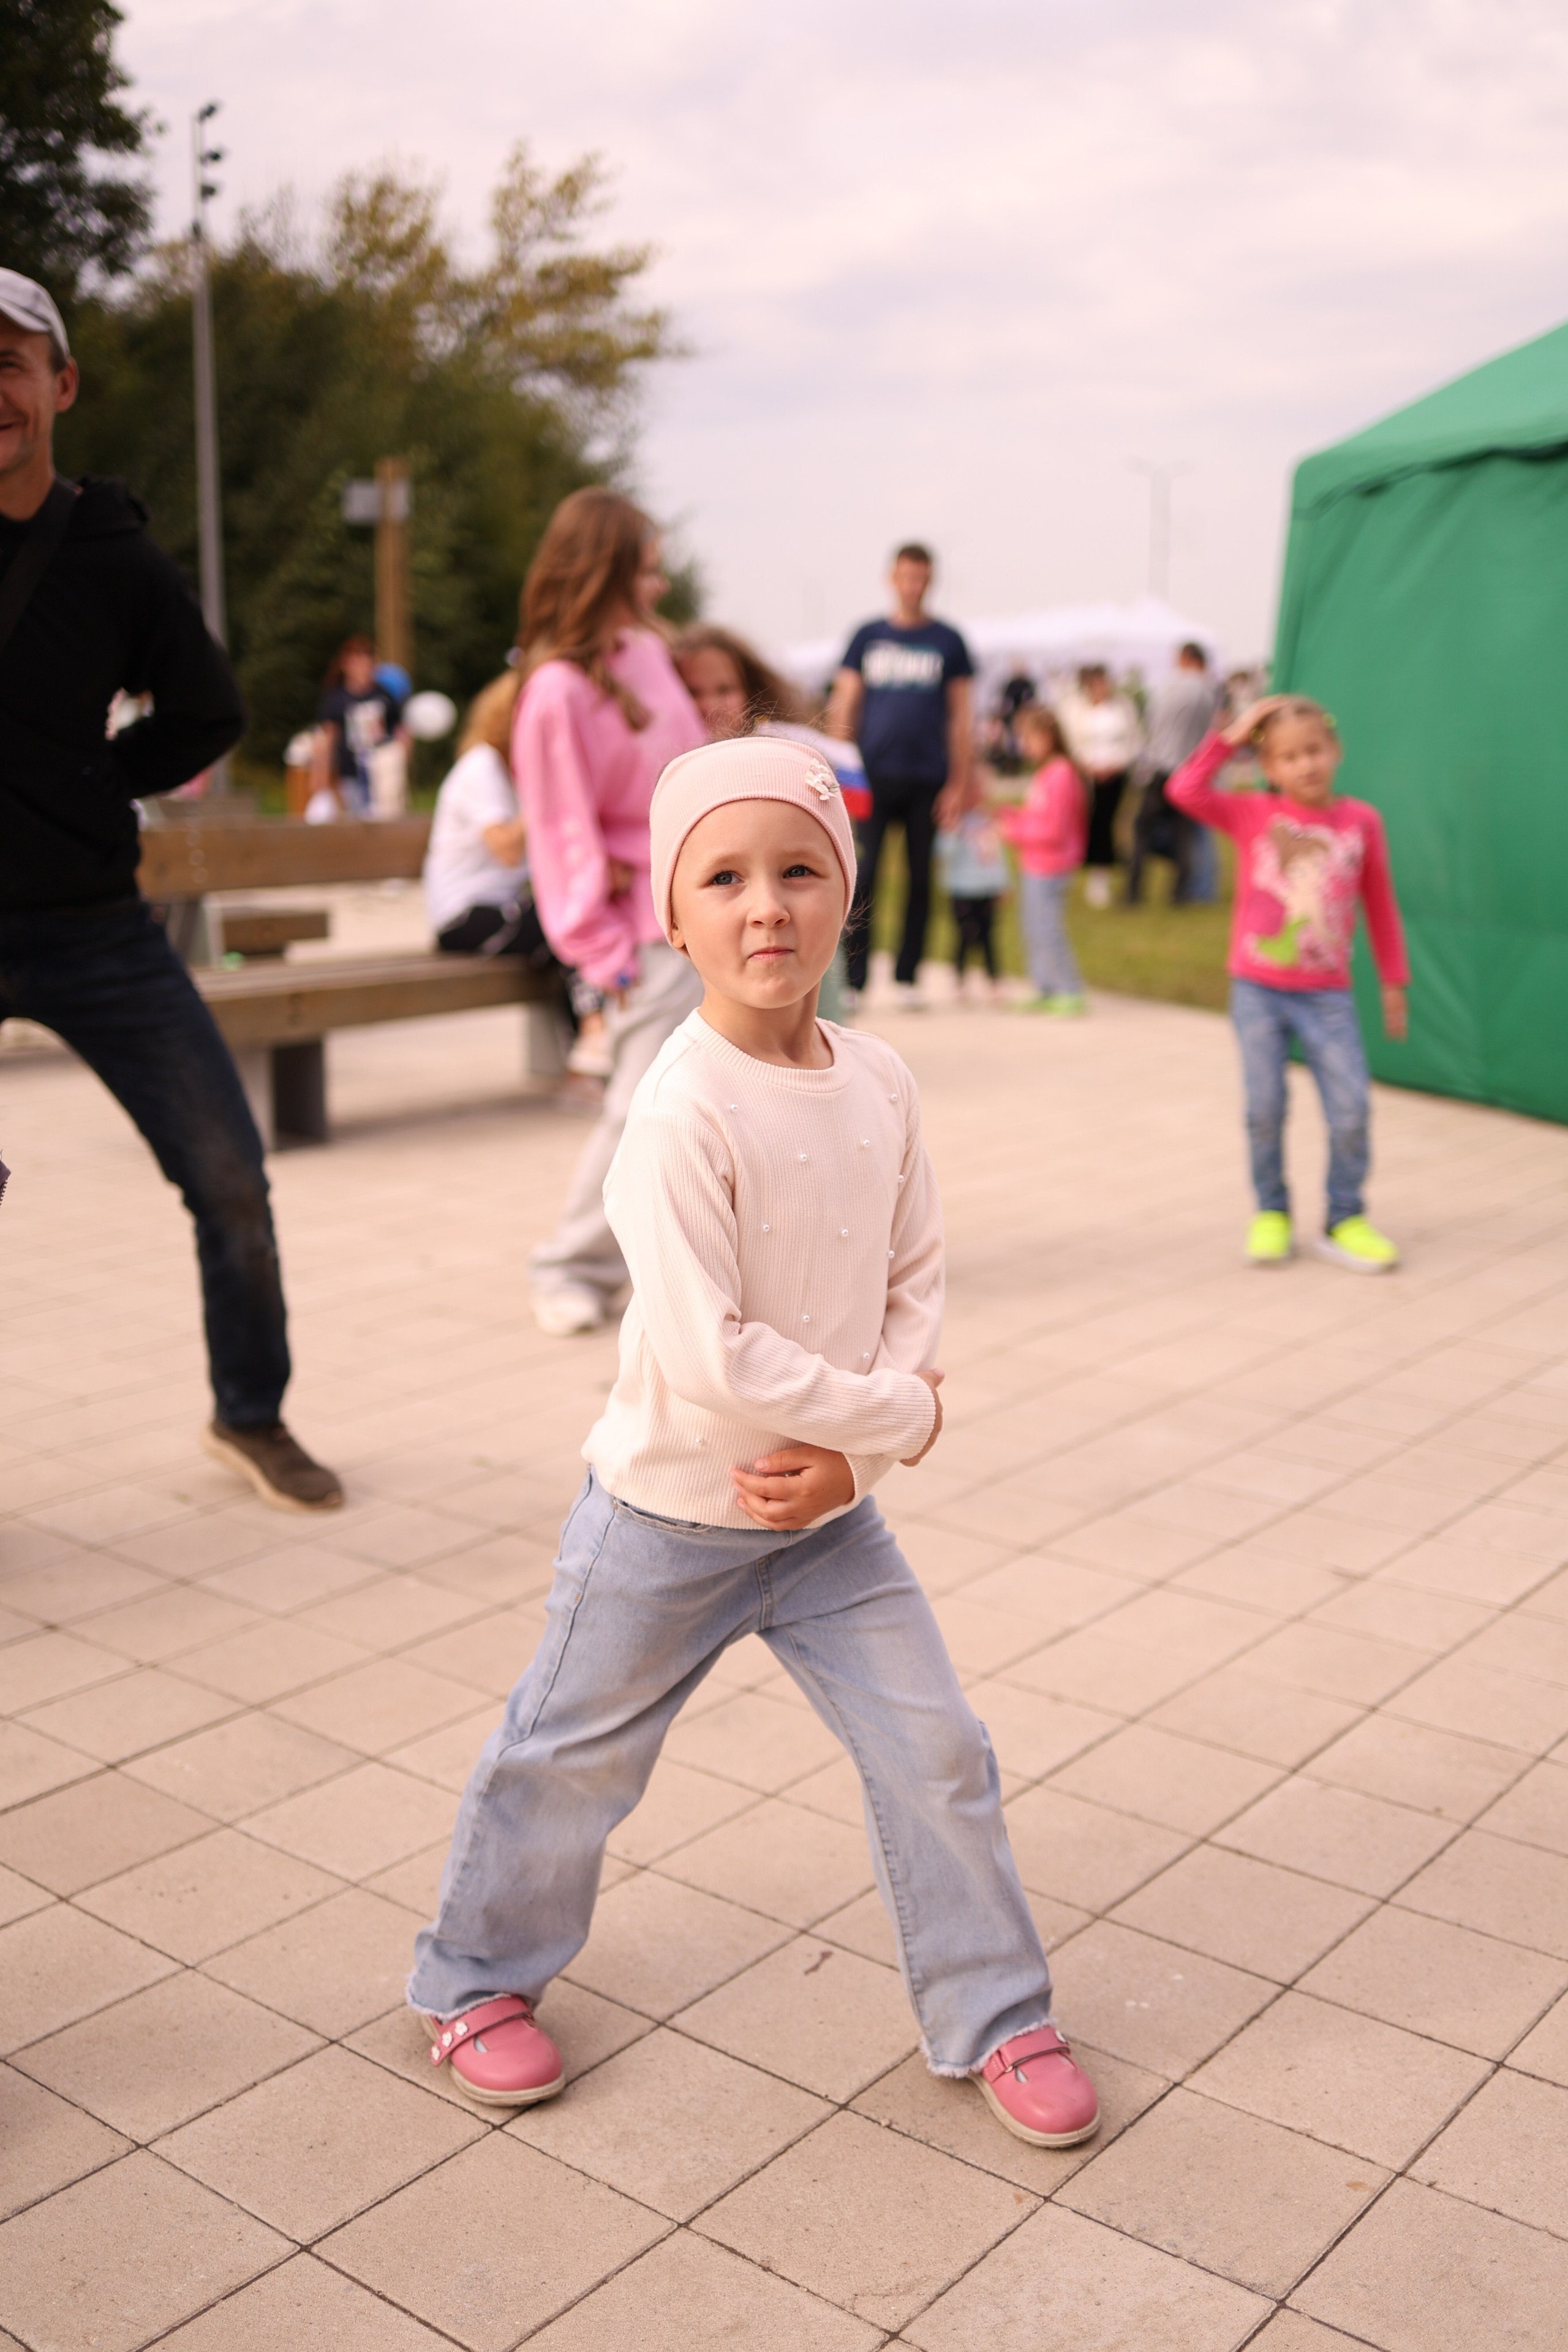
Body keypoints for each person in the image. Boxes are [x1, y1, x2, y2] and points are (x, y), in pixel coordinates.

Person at [407, 733, 1101, 2154]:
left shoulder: (880, 1079)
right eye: (721, 877)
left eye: (798, 869)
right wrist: (903, 1416)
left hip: (828, 1520)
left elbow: (914, 1274)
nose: (764, 905)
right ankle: (470, 1980)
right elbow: (715, 1352)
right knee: (568, 1759)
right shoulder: (675, 1109)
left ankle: (995, 2008)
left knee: (939, 1749)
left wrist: (863, 1457)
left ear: (845, 894)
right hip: (665, 1515)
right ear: (674, 915)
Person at [0, 268, 341, 1509]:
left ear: (61, 385)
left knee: (230, 1177)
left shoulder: (112, 556)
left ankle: (251, 1414)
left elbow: (212, 709)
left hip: (96, 927)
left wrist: (100, 779)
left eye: (12, 360)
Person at [512, 487, 707, 1336]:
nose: (659, 585)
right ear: (610, 571)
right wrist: (598, 950)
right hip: (638, 934)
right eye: (648, 568)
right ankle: (569, 1264)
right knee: (640, 1105)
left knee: (707, 1104)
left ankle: (682, 1270)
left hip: (699, 913)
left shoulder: (648, 657)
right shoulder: (555, 691)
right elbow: (561, 831)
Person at [1168, 693, 1409, 1271]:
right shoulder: (1253, 813)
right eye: (1289, 757)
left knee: (1351, 1108)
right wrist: (1236, 733)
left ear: (1336, 751)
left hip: (1328, 996)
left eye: (1314, 751)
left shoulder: (1361, 822)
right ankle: (1272, 1212)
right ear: (1270, 767)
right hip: (1258, 991)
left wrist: (1394, 981)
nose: (1305, 765)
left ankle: (1344, 1217)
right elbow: (1184, 790)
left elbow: (1380, 903)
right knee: (1265, 1108)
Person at [673, 622, 862, 1023]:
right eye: (694, 692)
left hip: (799, 939)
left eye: (725, 689)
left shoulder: (782, 754)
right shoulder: (666, 780)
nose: (712, 704)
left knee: (819, 1014)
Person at [828, 543, 974, 1008]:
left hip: (928, 779)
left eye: (921, 578)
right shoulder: (867, 637)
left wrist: (959, 782)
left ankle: (909, 977)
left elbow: (961, 716)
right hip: (872, 778)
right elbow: (844, 703)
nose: (912, 586)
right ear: (892, 579)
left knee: (918, 879)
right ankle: (854, 979)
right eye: (905, 577)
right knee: (863, 874)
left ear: (929, 581)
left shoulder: (948, 641)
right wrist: (836, 768)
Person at [998, 705, 1088, 1014]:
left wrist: (1015, 831)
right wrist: (1015, 816)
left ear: (1048, 737)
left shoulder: (1062, 773)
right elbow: (1040, 815)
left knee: (1048, 927)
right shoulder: (1047, 773)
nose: (1025, 745)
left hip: (1052, 866)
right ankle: (1045, 986)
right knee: (1033, 926)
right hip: (1035, 864)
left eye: (1030, 738)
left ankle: (1069, 988)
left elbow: (1055, 829)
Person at [1126, 641, 1220, 906]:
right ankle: (1182, 893)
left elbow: (1151, 726)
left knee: (1142, 834)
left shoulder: (1169, 687)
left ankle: (1134, 892)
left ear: (1187, 659)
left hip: (1159, 769)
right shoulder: (1207, 691)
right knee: (1184, 836)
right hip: (1188, 770)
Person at [1058, 664, 1140, 908]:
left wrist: (1117, 764)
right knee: (1083, 824)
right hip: (1087, 774)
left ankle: (1100, 876)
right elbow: (1071, 742)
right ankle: (1069, 871)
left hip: (1114, 774)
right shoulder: (1076, 710)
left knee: (1105, 825)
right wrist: (1086, 766)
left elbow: (1134, 741)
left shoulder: (1123, 708)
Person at [311, 635, 407, 815]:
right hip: (350, 773)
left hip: (382, 774)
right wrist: (321, 775)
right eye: (357, 661)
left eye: (367, 660)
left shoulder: (384, 694)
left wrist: (400, 762)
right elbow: (327, 738)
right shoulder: (335, 698)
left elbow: (400, 730)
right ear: (346, 665)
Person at [935, 800, 1010, 1000]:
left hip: (986, 889)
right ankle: (959, 979)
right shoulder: (954, 821)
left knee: (988, 937)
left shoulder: (987, 823)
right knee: (963, 936)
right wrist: (952, 829)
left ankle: (994, 980)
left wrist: (1003, 883)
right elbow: (943, 853)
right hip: (961, 889)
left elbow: (997, 855)